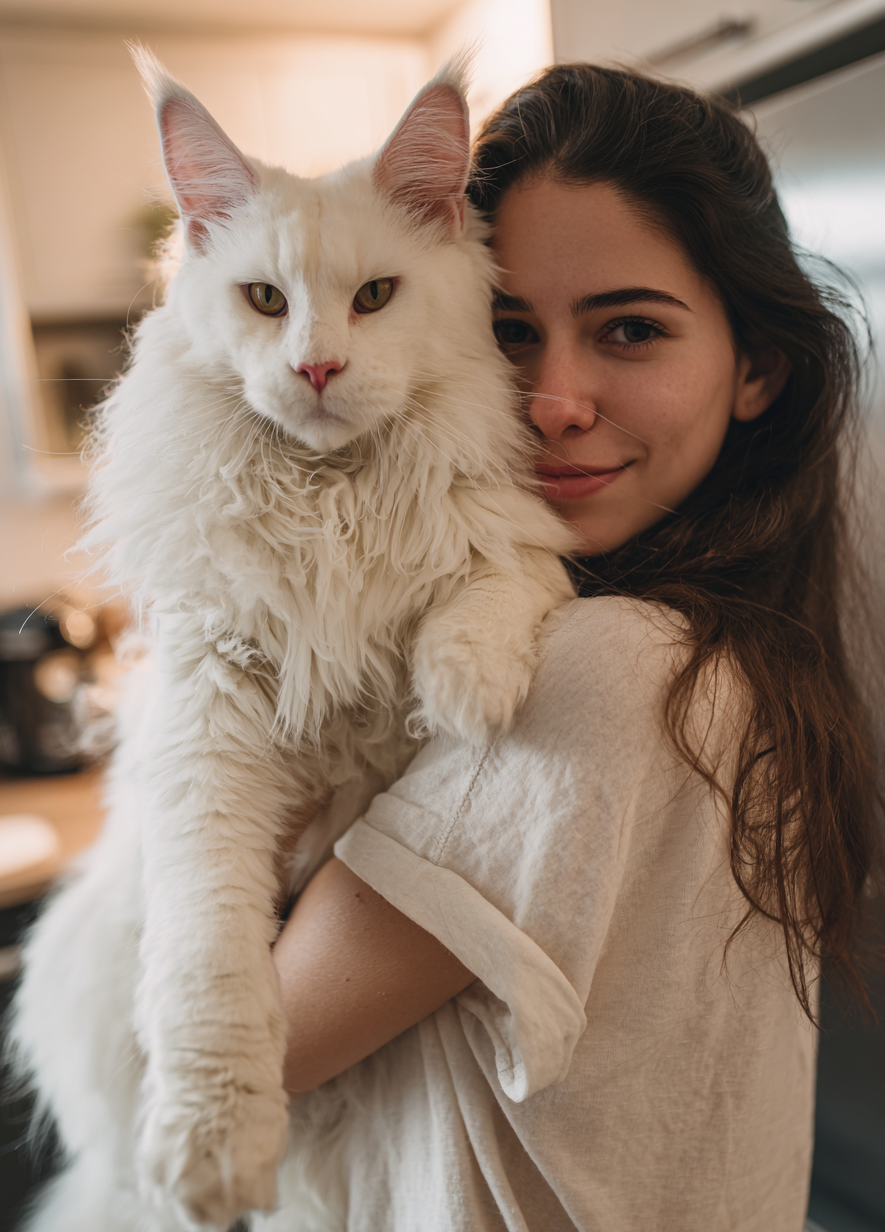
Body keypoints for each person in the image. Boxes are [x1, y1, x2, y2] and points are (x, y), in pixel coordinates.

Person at [270, 66, 883, 1231]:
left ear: (755, 368)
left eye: (629, 330)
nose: (552, 397)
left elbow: (241, 1045)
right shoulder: (736, 648)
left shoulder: (607, 665)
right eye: (506, 329)